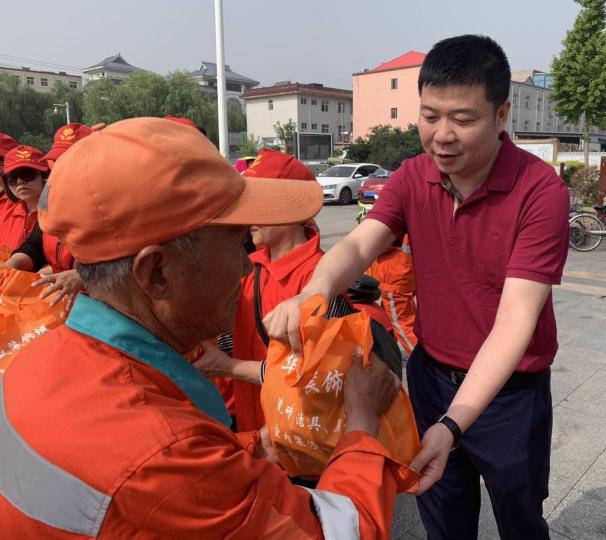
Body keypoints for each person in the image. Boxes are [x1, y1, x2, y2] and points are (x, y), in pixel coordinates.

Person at [0, 117, 404, 539]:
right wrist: (361, 419)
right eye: (235, 244)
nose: (246, 262)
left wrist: (253, 447)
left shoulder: (33, 363)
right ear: (157, 274)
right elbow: (340, 531)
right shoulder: (164, 454)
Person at [264, 35, 570, 540]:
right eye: (430, 116)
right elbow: (359, 246)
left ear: (501, 114)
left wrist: (453, 426)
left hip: (510, 396)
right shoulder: (413, 176)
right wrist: (312, 294)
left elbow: (516, 321)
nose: (442, 136)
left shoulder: (540, 192)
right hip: (432, 377)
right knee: (442, 514)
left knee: (520, 516)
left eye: (463, 119)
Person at [4, 124, 92, 305]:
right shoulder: (53, 198)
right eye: (58, 160)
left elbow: (131, 260)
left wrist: (83, 276)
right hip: (69, 301)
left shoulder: (112, 203)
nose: (63, 168)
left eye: (27, 174)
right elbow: (37, 242)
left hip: (107, 305)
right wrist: (14, 264)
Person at [0, 145, 49, 251]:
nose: (20, 182)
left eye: (27, 174)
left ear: (44, 176)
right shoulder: (4, 213)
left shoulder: (59, 214)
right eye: (12, 178)